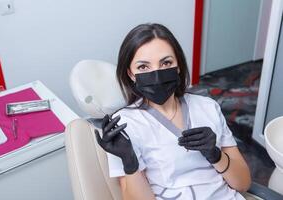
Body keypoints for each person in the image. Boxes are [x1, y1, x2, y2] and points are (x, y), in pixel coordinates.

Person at [95, 23, 251, 200]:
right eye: (143, 67)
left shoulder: (207, 107)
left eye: (166, 63)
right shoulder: (122, 126)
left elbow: (243, 184)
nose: (156, 74)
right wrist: (130, 163)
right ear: (130, 74)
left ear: (178, 66)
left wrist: (216, 155)